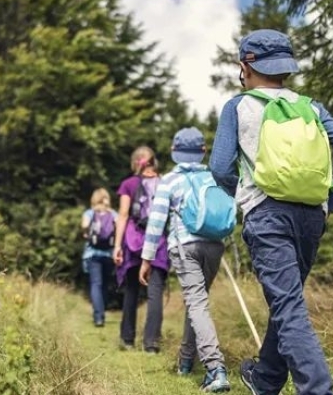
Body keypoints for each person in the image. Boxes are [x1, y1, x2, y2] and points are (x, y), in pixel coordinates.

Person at [210, 29, 333, 395]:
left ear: (246, 65)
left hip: (267, 216)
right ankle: (265, 379)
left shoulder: (238, 106)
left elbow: (219, 167)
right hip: (310, 217)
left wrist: (245, 198)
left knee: (289, 307)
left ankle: (317, 389)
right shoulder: (310, 106)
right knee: (287, 300)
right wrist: (328, 205)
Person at [140, 127, 232, 393]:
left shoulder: (169, 181)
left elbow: (156, 222)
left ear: (173, 151)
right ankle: (186, 361)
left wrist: (146, 259)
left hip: (184, 246)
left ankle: (215, 369)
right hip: (214, 246)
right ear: (204, 151)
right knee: (198, 303)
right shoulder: (214, 177)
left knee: (196, 303)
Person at [112, 146, 169, 352]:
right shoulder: (164, 183)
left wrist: (117, 246)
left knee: (132, 290)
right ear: (153, 161)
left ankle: (127, 339)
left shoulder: (128, 184)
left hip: (133, 240)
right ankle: (151, 343)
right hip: (159, 240)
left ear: (135, 162)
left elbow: (123, 214)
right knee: (155, 291)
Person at [81, 188, 118, 327]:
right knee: (105, 284)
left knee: (96, 284)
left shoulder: (90, 213)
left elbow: (84, 225)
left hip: (92, 253)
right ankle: (102, 313)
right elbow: (120, 226)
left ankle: (98, 317)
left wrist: (86, 233)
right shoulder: (113, 213)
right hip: (109, 254)